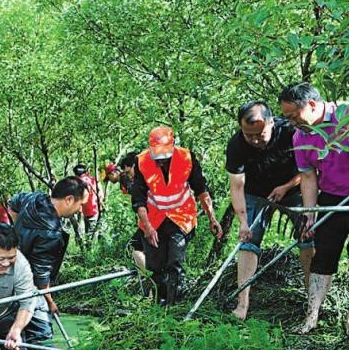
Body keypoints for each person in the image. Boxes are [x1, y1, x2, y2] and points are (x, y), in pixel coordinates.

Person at [279, 82, 349, 335]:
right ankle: (311, 316)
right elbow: (308, 177)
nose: (292, 122)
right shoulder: (301, 137)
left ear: (312, 105)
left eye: (294, 116)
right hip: (330, 198)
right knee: (322, 257)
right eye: (287, 118)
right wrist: (310, 215)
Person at [226, 100, 312, 320]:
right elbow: (236, 186)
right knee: (248, 241)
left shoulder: (291, 133)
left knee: (307, 236)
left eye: (260, 134)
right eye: (248, 135)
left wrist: (285, 187)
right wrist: (243, 222)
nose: (255, 140)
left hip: (292, 189)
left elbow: (309, 171)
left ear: (271, 123)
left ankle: (312, 299)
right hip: (256, 194)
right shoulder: (236, 145)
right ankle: (242, 305)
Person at [130, 126, 222, 305]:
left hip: (181, 216)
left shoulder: (186, 158)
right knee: (155, 266)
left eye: (165, 158)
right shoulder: (141, 162)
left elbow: (201, 190)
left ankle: (173, 307)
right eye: (158, 159)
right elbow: (138, 200)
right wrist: (147, 227)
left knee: (174, 263)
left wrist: (212, 218)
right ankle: (159, 304)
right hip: (153, 219)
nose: (161, 162)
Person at [7, 177, 88, 350]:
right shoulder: (50, 232)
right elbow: (41, 275)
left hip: (8, 274)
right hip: (31, 285)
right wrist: (50, 301)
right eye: (80, 204)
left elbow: (12, 203)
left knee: (19, 331)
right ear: (69, 199)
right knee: (42, 337)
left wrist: (15, 234)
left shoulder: (34, 199)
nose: (81, 210)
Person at [74, 164, 101, 235]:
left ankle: (90, 245)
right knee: (93, 231)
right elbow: (100, 192)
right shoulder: (92, 179)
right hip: (95, 207)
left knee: (90, 234)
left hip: (88, 210)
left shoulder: (79, 182)